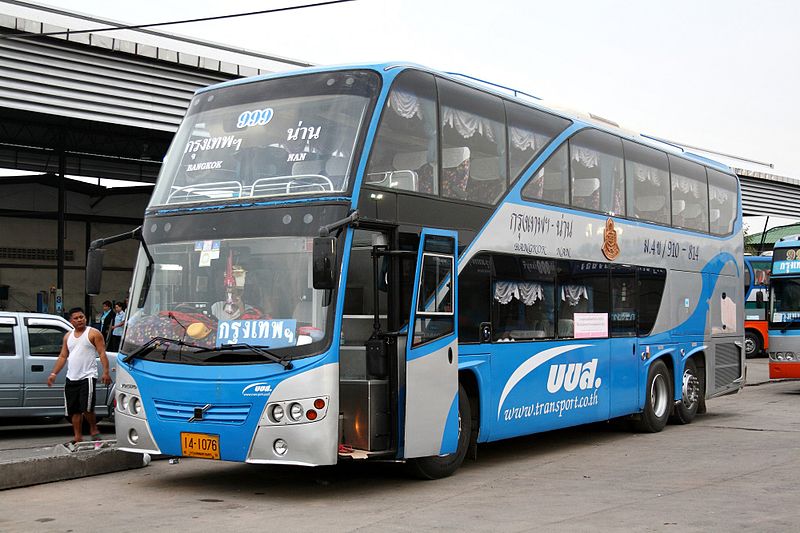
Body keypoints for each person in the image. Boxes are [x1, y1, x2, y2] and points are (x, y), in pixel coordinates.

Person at [47, 307, 112, 448]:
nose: (79, 320)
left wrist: (106, 372)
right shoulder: (68, 336)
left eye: (81, 317)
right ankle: (78, 437)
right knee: (74, 410)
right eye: (76, 318)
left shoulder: (93, 333)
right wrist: (53, 374)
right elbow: (63, 356)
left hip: (88, 376)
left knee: (87, 408)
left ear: (85, 318)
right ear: (71, 321)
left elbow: (102, 353)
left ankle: (94, 431)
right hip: (72, 377)